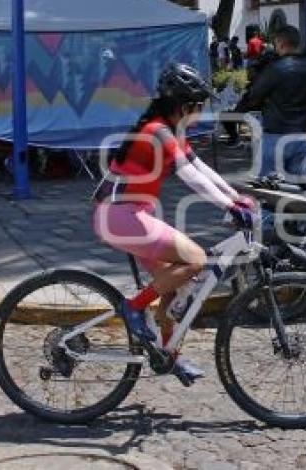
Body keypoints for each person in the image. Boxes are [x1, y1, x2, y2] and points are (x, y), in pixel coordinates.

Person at [93, 63, 255, 382]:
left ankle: (169, 356)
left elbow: (202, 169)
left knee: (177, 285)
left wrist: (235, 196)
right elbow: (189, 176)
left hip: (130, 215)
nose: (199, 113)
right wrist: (228, 205)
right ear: (183, 105)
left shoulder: (170, 131)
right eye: (197, 106)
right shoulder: (157, 131)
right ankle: (133, 307)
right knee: (196, 259)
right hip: (120, 216)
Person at [237, 25, 306, 176]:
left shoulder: (276, 68)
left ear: (280, 43)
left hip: (276, 134)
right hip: (302, 134)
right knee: (299, 184)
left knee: (266, 186)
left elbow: (254, 96)